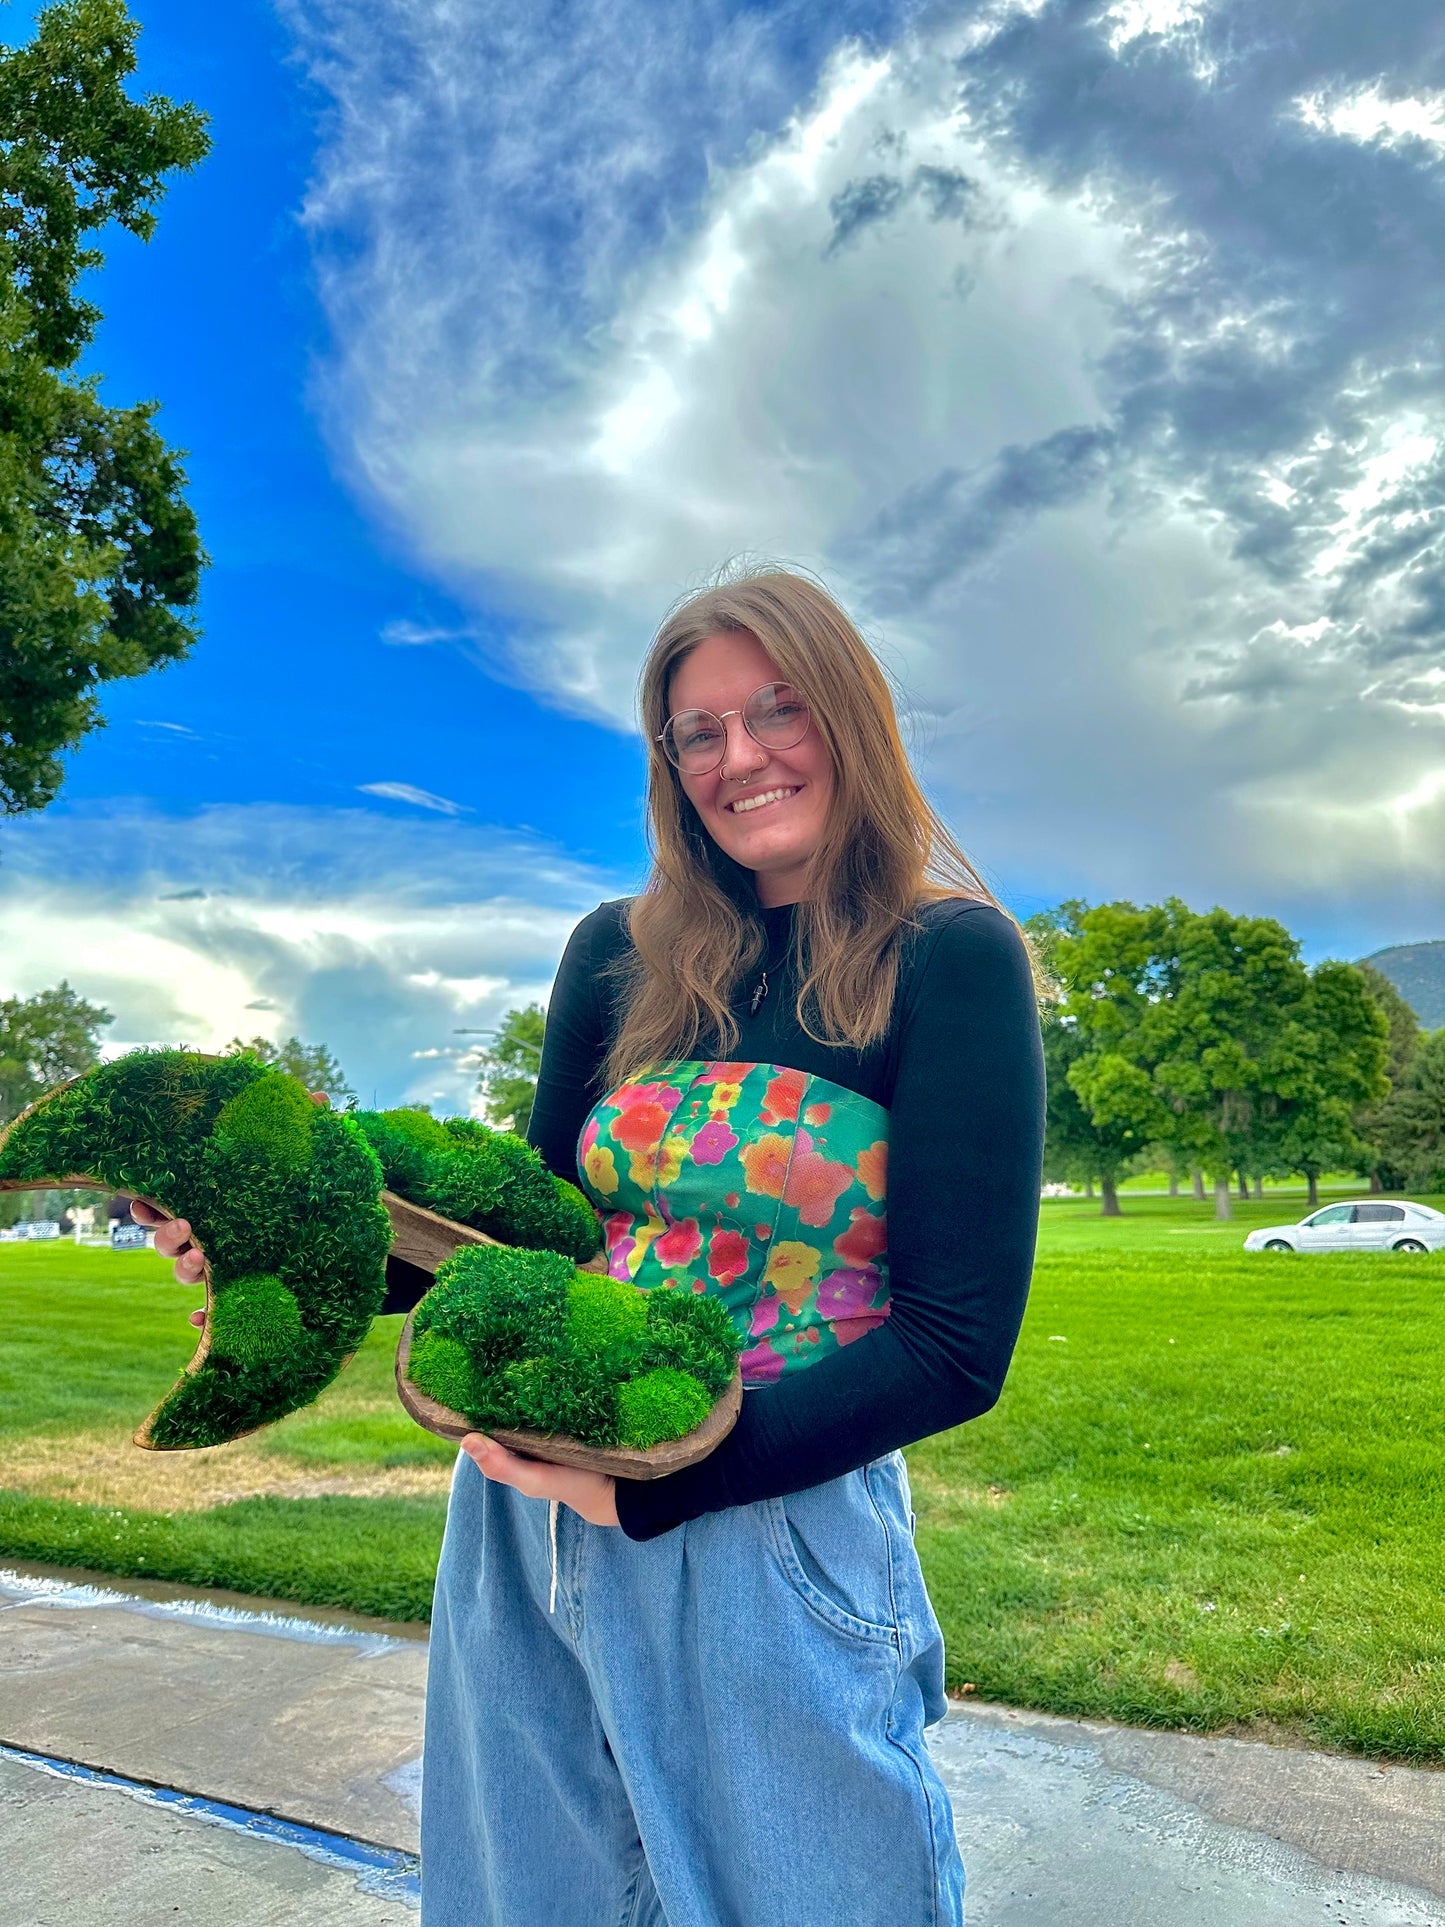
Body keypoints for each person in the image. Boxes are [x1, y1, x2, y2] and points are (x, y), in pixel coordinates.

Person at [143, 567, 1045, 1926]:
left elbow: (953, 1347)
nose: (739, 757)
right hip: (518, 1515)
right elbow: (543, 1244)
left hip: (768, 1524)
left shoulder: (947, 956)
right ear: (669, 762)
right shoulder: (617, 954)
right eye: (698, 732)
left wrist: (649, 1494)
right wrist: (291, 1239)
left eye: (777, 711)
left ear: (849, 719)